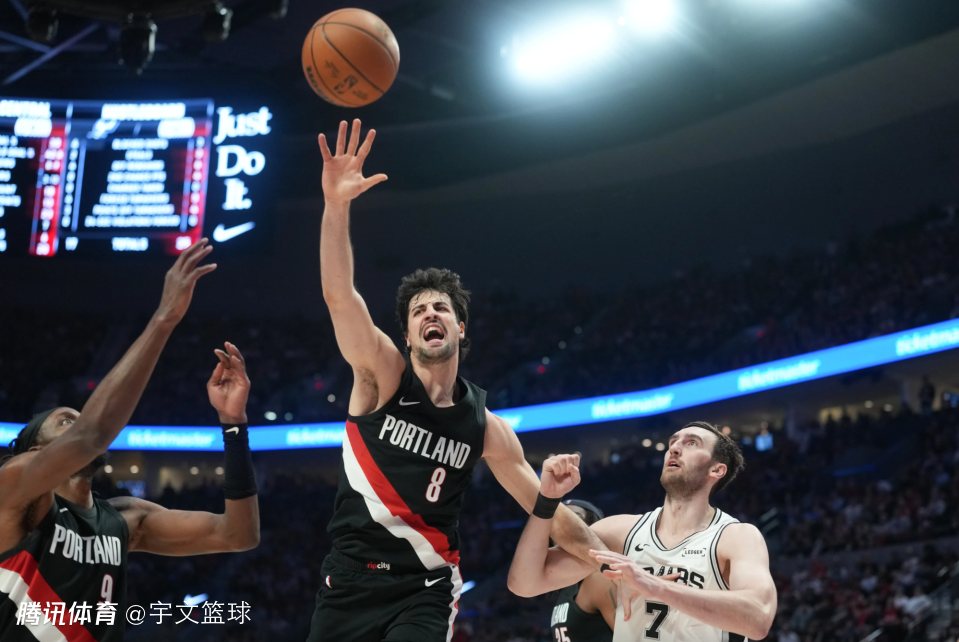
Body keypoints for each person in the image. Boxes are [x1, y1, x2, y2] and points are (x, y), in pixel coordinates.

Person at [309, 119, 607, 642]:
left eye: (442, 308)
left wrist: (615, 562)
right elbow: (339, 296)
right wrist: (336, 206)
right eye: (419, 310)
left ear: (459, 327)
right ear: (406, 335)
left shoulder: (487, 428)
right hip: (349, 579)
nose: (431, 313)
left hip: (425, 586)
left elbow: (548, 511)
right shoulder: (381, 376)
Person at [0, 240, 261, 641]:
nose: (79, 424)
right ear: (36, 451)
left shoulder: (125, 519)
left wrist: (234, 425)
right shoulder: (14, 487)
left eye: (78, 419)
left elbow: (238, 535)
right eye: (65, 422)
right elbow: (92, 434)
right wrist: (163, 319)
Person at [508, 421, 777, 642]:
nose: (675, 448)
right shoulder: (620, 531)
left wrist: (654, 586)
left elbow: (758, 619)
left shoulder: (736, 536)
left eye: (691, 443)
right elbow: (525, 583)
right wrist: (546, 500)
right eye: (673, 442)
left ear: (717, 469)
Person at [551, 499, 616, 642]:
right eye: (556, 521)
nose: (563, 525)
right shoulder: (566, 585)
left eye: (574, 519)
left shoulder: (600, 578)